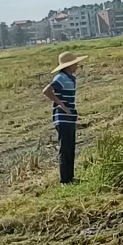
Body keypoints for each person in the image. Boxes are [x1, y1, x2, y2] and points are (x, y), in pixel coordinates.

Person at [42, 51, 87, 184]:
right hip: (63, 119)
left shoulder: (69, 78)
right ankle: (64, 180)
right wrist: (61, 104)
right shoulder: (61, 77)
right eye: (75, 64)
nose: (77, 66)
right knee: (65, 149)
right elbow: (47, 90)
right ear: (68, 66)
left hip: (69, 118)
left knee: (71, 148)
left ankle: (70, 177)